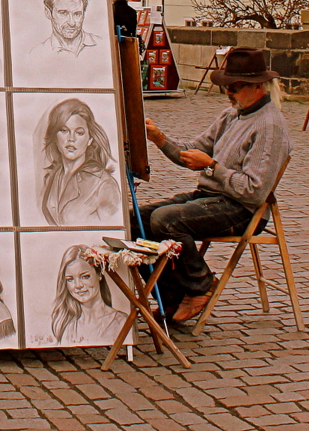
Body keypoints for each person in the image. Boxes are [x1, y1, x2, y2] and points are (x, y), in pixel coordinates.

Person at [137, 47, 293, 324]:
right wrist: (160, 138)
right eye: (226, 87)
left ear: (258, 86)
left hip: (242, 208)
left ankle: (201, 285)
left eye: (234, 87)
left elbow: (254, 191)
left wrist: (212, 167)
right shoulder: (231, 115)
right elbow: (192, 152)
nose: (229, 93)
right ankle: (170, 299)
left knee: (166, 221)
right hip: (211, 197)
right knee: (136, 220)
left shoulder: (269, 125)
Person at [38, 98, 119, 224]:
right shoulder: (51, 177)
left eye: (79, 133)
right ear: (55, 136)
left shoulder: (103, 184)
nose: (71, 139)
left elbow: (110, 230)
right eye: (64, 131)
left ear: (90, 139)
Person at [50, 245, 127, 344]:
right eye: (70, 279)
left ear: (99, 274)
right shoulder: (67, 325)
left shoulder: (121, 322)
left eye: (85, 277)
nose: (78, 285)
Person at [32, 0, 98, 57]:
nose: (71, 23)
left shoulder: (103, 46)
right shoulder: (37, 54)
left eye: (77, 14)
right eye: (63, 13)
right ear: (48, 13)